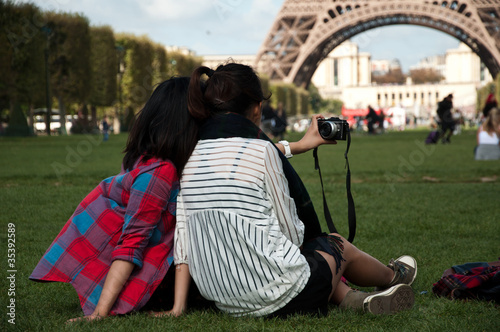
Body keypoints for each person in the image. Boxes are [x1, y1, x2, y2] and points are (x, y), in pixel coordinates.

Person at [174, 63, 417, 318]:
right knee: (337, 245)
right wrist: (314, 246)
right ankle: (394, 276)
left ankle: (354, 299)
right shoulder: (263, 151)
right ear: (257, 107)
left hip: (225, 299)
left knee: (315, 258)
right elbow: (292, 233)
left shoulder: (188, 155)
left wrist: (299, 145)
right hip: (282, 296)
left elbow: (183, 238)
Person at [29, 77, 199, 321]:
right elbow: (132, 242)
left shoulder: (144, 159)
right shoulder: (160, 172)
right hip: (157, 282)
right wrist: (101, 312)